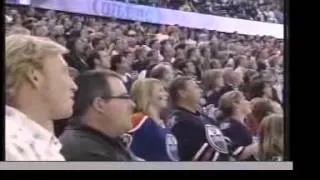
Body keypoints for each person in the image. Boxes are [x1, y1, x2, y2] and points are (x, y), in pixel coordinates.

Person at [5, 34, 78, 161]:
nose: (74, 86)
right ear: (35, 77)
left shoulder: (34, 143)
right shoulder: (12, 147)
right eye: (64, 72)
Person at [59, 70, 135, 161]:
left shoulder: (102, 141)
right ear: (99, 105)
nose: (132, 104)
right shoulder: (87, 154)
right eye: (125, 97)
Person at [167, 76, 231, 161]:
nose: (200, 90)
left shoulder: (202, 117)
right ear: (182, 93)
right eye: (195, 88)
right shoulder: (181, 122)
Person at [128, 78, 179, 161]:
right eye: (160, 90)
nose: (166, 94)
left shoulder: (163, 124)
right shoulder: (138, 119)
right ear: (147, 94)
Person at [216, 91, 257, 160]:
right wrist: (262, 143)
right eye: (244, 99)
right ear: (235, 104)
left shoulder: (235, 124)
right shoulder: (232, 127)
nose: (248, 102)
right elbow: (237, 154)